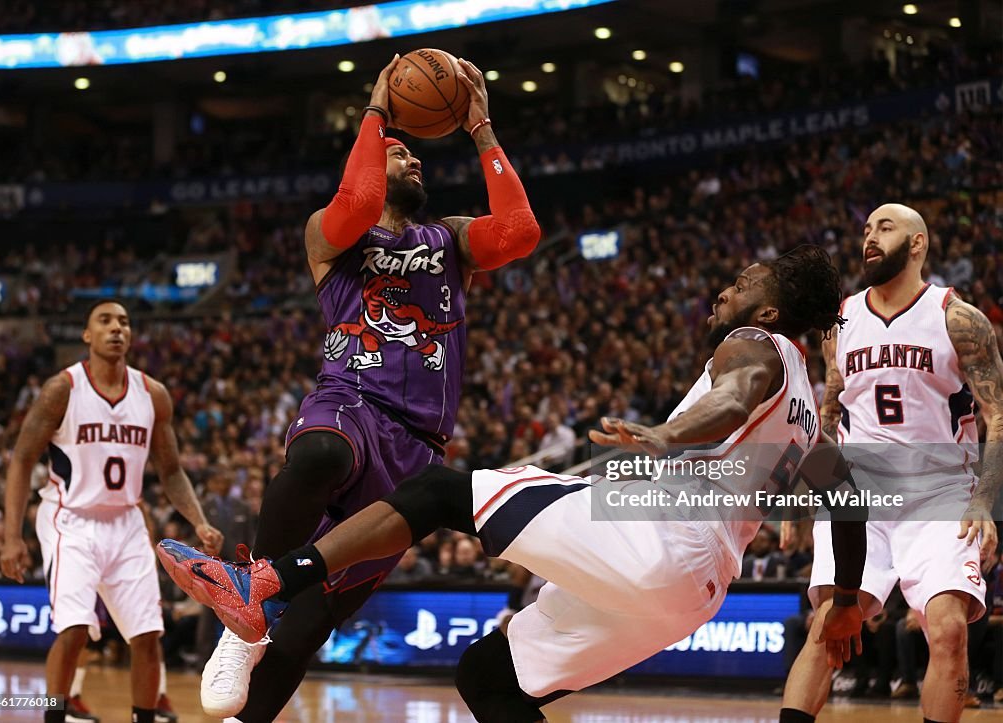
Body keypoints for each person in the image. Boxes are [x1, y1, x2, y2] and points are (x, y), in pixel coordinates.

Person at [160, 246, 868, 722]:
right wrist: (841, 601)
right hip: (694, 593)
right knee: (488, 677)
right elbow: (847, 498)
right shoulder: (812, 413)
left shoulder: (755, 346)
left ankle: (267, 583)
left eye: (744, 284)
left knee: (440, 492)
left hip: (654, 530)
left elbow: (734, 397)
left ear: (771, 314)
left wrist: (668, 435)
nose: (726, 289)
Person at [197, 54, 540, 721]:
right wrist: (378, 110)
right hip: (350, 398)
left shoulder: (452, 239)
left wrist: (481, 128)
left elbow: (521, 232)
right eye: (398, 154)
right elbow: (356, 200)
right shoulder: (329, 236)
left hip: (417, 443)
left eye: (416, 153)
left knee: (312, 625)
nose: (414, 160)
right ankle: (247, 607)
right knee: (320, 455)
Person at [780, 203, 1002, 723]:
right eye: (865, 230)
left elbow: (997, 411)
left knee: (947, 627)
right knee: (828, 626)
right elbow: (830, 412)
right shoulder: (840, 319)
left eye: (885, 228)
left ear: (918, 243)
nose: (869, 239)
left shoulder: (957, 317)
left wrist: (984, 499)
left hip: (942, 493)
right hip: (862, 494)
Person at [0, 299, 222, 723]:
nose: (116, 328)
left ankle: (145, 717)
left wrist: (199, 520)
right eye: (105, 321)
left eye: (124, 321)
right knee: (75, 630)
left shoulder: (153, 394)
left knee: (147, 634)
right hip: (70, 519)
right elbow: (22, 459)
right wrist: (12, 537)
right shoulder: (61, 389)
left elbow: (171, 470)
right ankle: (54, 716)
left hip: (126, 522)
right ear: (87, 336)